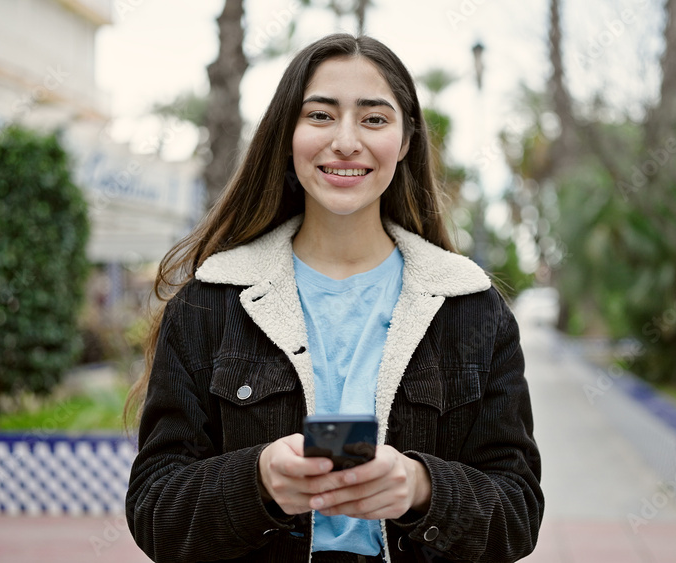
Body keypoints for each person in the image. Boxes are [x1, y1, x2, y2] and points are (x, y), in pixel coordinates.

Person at [125, 33, 543, 563]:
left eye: (374, 119)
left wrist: (421, 488)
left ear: (406, 140)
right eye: (320, 115)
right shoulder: (211, 303)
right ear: (287, 134)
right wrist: (257, 481)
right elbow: (155, 512)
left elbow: (518, 513)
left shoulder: (471, 308)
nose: (346, 141)